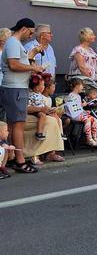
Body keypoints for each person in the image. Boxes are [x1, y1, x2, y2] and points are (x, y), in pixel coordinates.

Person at [0, 18, 45, 173]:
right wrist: (33, 67)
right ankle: (20, 161)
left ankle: (12, 156)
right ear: (24, 29)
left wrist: (31, 64)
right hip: (15, 88)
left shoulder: (14, 43)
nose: (31, 36)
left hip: (14, 87)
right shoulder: (13, 42)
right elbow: (13, 64)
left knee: (13, 125)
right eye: (31, 32)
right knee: (18, 125)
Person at [64, 79, 97, 148]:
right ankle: (89, 138)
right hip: (73, 115)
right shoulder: (71, 96)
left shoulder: (78, 96)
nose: (83, 87)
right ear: (77, 86)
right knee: (88, 119)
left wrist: (84, 111)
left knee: (94, 119)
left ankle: (95, 138)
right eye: (82, 85)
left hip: (79, 114)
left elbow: (79, 108)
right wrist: (82, 106)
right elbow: (73, 108)